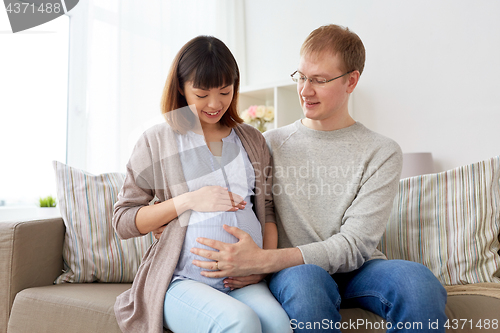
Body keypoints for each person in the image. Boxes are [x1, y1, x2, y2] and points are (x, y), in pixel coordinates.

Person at [190, 25, 448, 332]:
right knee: (307, 282)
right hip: (295, 272)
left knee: (418, 282)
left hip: (359, 270)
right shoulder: (266, 143)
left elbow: (354, 245)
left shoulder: (382, 151)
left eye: (319, 80)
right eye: (301, 76)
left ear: (351, 80)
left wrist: (261, 261)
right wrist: (170, 217)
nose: (305, 90)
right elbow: (224, 194)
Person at [112, 35, 291, 333]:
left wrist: (261, 266)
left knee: (279, 325)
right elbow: (123, 220)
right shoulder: (157, 140)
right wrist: (188, 200)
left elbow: (267, 211)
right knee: (241, 322)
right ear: (181, 89)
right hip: (182, 280)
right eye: (201, 94)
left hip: (243, 279)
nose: (214, 103)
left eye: (225, 92)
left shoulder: (252, 139)